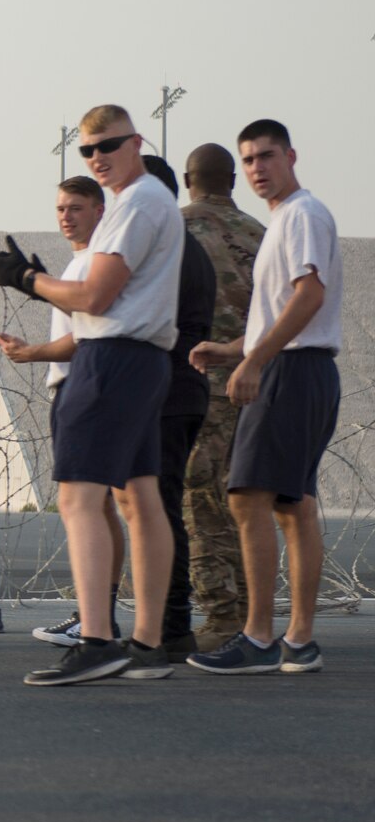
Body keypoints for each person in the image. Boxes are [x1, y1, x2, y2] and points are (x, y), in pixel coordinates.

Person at [0, 105, 181, 686]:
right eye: (88, 151)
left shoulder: (137, 203)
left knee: (77, 499)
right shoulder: (143, 204)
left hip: (112, 360)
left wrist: (25, 278)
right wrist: (50, 285)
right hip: (141, 360)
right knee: (140, 499)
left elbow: (96, 298)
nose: (98, 159)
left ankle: (97, 638)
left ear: (136, 142)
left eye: (109, 146)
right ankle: (146, 643)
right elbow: (104, 295)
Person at [185, 120, 340, 675]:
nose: (258, 168)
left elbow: (309, 296)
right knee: (291, 506)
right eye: (249, 160)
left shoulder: (300, 214)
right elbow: (283, 310)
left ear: (291, 156)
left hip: (291, 372)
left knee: (247, 497)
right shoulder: (275, 223)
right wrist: (231, 349)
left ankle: (258, 637)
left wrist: (254, 361)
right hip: (297, 366)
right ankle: (298, 641)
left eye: (267, 157)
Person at [0, 178, 124, 647]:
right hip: (84, 384)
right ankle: (101, 614)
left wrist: (34, 353)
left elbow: (87, 333)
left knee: (85, 504)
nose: (66, 216)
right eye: (60, 208)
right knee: (107, 505)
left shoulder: (94, 261)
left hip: (83, 385)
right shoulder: (82, 262)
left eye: (77, 207)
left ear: (99, 209)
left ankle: (96, 622)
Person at [178, 143, 266, 643]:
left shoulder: (178, 230)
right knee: (246, 499)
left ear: (188, 179)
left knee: (200, 499)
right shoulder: (260, 234)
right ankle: (252, 613)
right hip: (253, 377)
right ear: (231, 179)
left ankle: (223, 613)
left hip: (198, 378)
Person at [139, 155, 218, 660]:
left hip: (167, 393)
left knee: (160, 511)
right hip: (178, 390)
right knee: (160, 506)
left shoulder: (169, 251)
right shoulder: (186, 248)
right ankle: (168, 625)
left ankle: (170, 628)